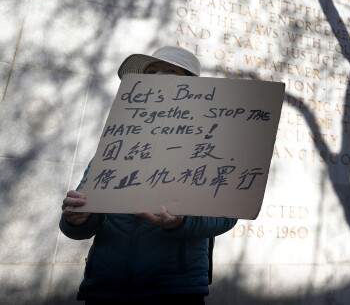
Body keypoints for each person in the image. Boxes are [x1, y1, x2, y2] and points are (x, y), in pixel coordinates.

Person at [60, 46, 237, 304]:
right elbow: (83, 221)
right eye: (152, 71)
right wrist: (76, 219)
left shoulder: (208, 146)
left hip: (174, 292)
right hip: (103, 290)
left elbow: (226, 216)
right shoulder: (114, 144)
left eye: (170, 72)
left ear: (192, 89)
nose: (158, 78)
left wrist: (182, 222)